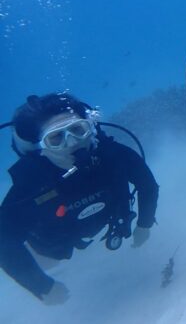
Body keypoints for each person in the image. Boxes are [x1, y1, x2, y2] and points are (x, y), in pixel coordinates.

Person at [0, 93, 159, 304]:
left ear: (90, 128)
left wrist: (144, 225)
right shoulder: (30, 185)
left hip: (103, 222)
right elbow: (4, 241)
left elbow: (147, 185)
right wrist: (41, 286)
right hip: (53, 245)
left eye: (78, 129)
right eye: (56, 138)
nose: (73, 142)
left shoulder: (113, 155)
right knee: (48, 259)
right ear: (41, 148)